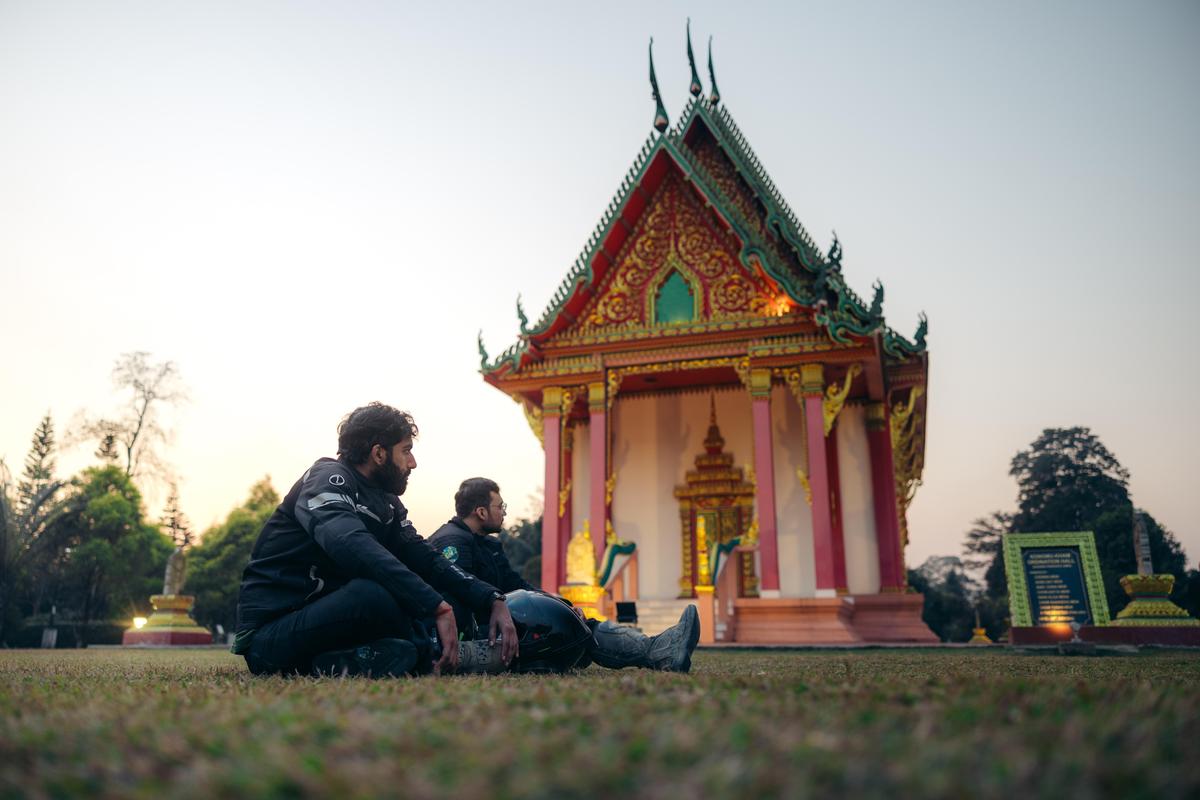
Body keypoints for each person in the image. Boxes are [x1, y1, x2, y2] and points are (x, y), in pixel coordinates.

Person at [232, 403, 518, 678]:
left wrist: (489, 597)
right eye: (406, 451)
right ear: (379, 453)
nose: (413, 462)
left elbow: (425, 557)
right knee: (375, 593)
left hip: (325, 622)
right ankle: (434, 654)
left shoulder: (385, 501)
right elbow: (352, 546)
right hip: (269, 638)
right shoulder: (327, 479)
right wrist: (435, 605)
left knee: (427, 590)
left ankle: (348, 660)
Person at [428, 477, 700, 673]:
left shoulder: (488, 545)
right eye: (500, 506)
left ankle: (657, 650)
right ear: (481, 511)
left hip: (503, 622)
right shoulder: (452, 542)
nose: (504, 513)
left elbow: (517, 585)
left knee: (576, 621)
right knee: (569, 629)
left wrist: (562, 604)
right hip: (480, 635)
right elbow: (462, 593)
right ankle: (658, 651)